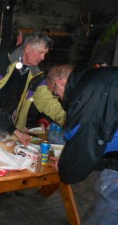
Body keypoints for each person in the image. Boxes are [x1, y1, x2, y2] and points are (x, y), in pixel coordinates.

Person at [46, 64, 118, 225]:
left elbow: (84, 142)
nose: (59, 98)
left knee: (109, 207)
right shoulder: (96, 78)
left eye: (56, 93)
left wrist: (65, 167)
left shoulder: (88, 91)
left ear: (60, 82)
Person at [0, 31, 66, 133]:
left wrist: (66, 120)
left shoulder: (37, 74)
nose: (43, 58)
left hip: (8, 123)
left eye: (45, 54)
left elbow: (48, 101)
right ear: (28, 47)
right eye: (41, 52)